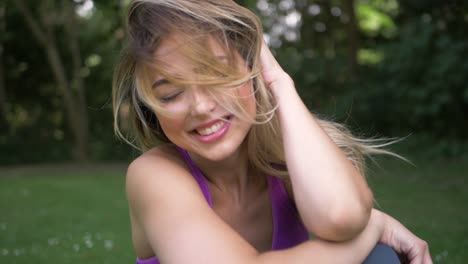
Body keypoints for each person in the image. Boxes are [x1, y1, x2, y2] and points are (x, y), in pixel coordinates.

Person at [112, 1, 432, 263]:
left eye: (217, 76)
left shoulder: (287, 158)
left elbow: (341, 215)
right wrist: (373, 226)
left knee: (379, 259)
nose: (200, 106)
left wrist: (280, 82)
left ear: (254, 71)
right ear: (152, 108)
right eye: (170, 94)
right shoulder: (154, 174)